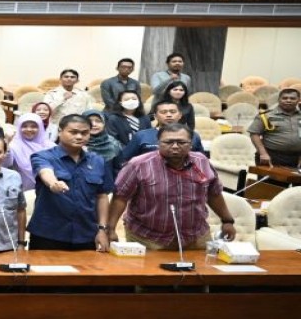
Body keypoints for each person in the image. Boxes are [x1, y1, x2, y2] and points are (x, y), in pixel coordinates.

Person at [107, 123, 236, 251]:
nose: (175, 146)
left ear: (191, 143)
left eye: (181, 142)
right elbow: (120, 197)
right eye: (168, 142)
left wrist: (227, 220)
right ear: (158, 143)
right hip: (148, 238)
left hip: (196, 236)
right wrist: (110, 229)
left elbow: (214, 193)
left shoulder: (202, 162)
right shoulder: (138, 165)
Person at [28, 115, 113, 252]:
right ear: (60, 131)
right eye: (73, 132)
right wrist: (53, 184)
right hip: (48, 235)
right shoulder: (43, 156)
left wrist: (102, 229)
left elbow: (102, 196)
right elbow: (45, 172)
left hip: (86, 234)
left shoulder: (98, 161)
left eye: (84, 133)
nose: (79, 137)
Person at [116, 101, 207, 169]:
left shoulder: (193, 135)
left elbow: (201, 162)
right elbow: (124, 161)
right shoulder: (141, 136)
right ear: (155, 116)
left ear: (180, 115)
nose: (168, 115)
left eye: (172, 112)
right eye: (163, 112)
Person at [248, 87, 301, 167]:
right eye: (285, 98)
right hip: (271, 156)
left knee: (292, 180)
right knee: (268, 180)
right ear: (279, 100)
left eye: (292, 98)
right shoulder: (266, 116)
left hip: (296, 158)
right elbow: (254, 134)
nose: (288, 100)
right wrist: (263, 153)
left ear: (298, 100)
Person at [7, 113, 52, 191]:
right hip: (23, 188)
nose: (29, 129)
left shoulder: (49, 145)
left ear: (40, 128)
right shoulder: (14, 145)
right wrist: (6, 145)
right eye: (24, 126)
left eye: (34, 126)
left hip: (48, 188)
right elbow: (7, 163)